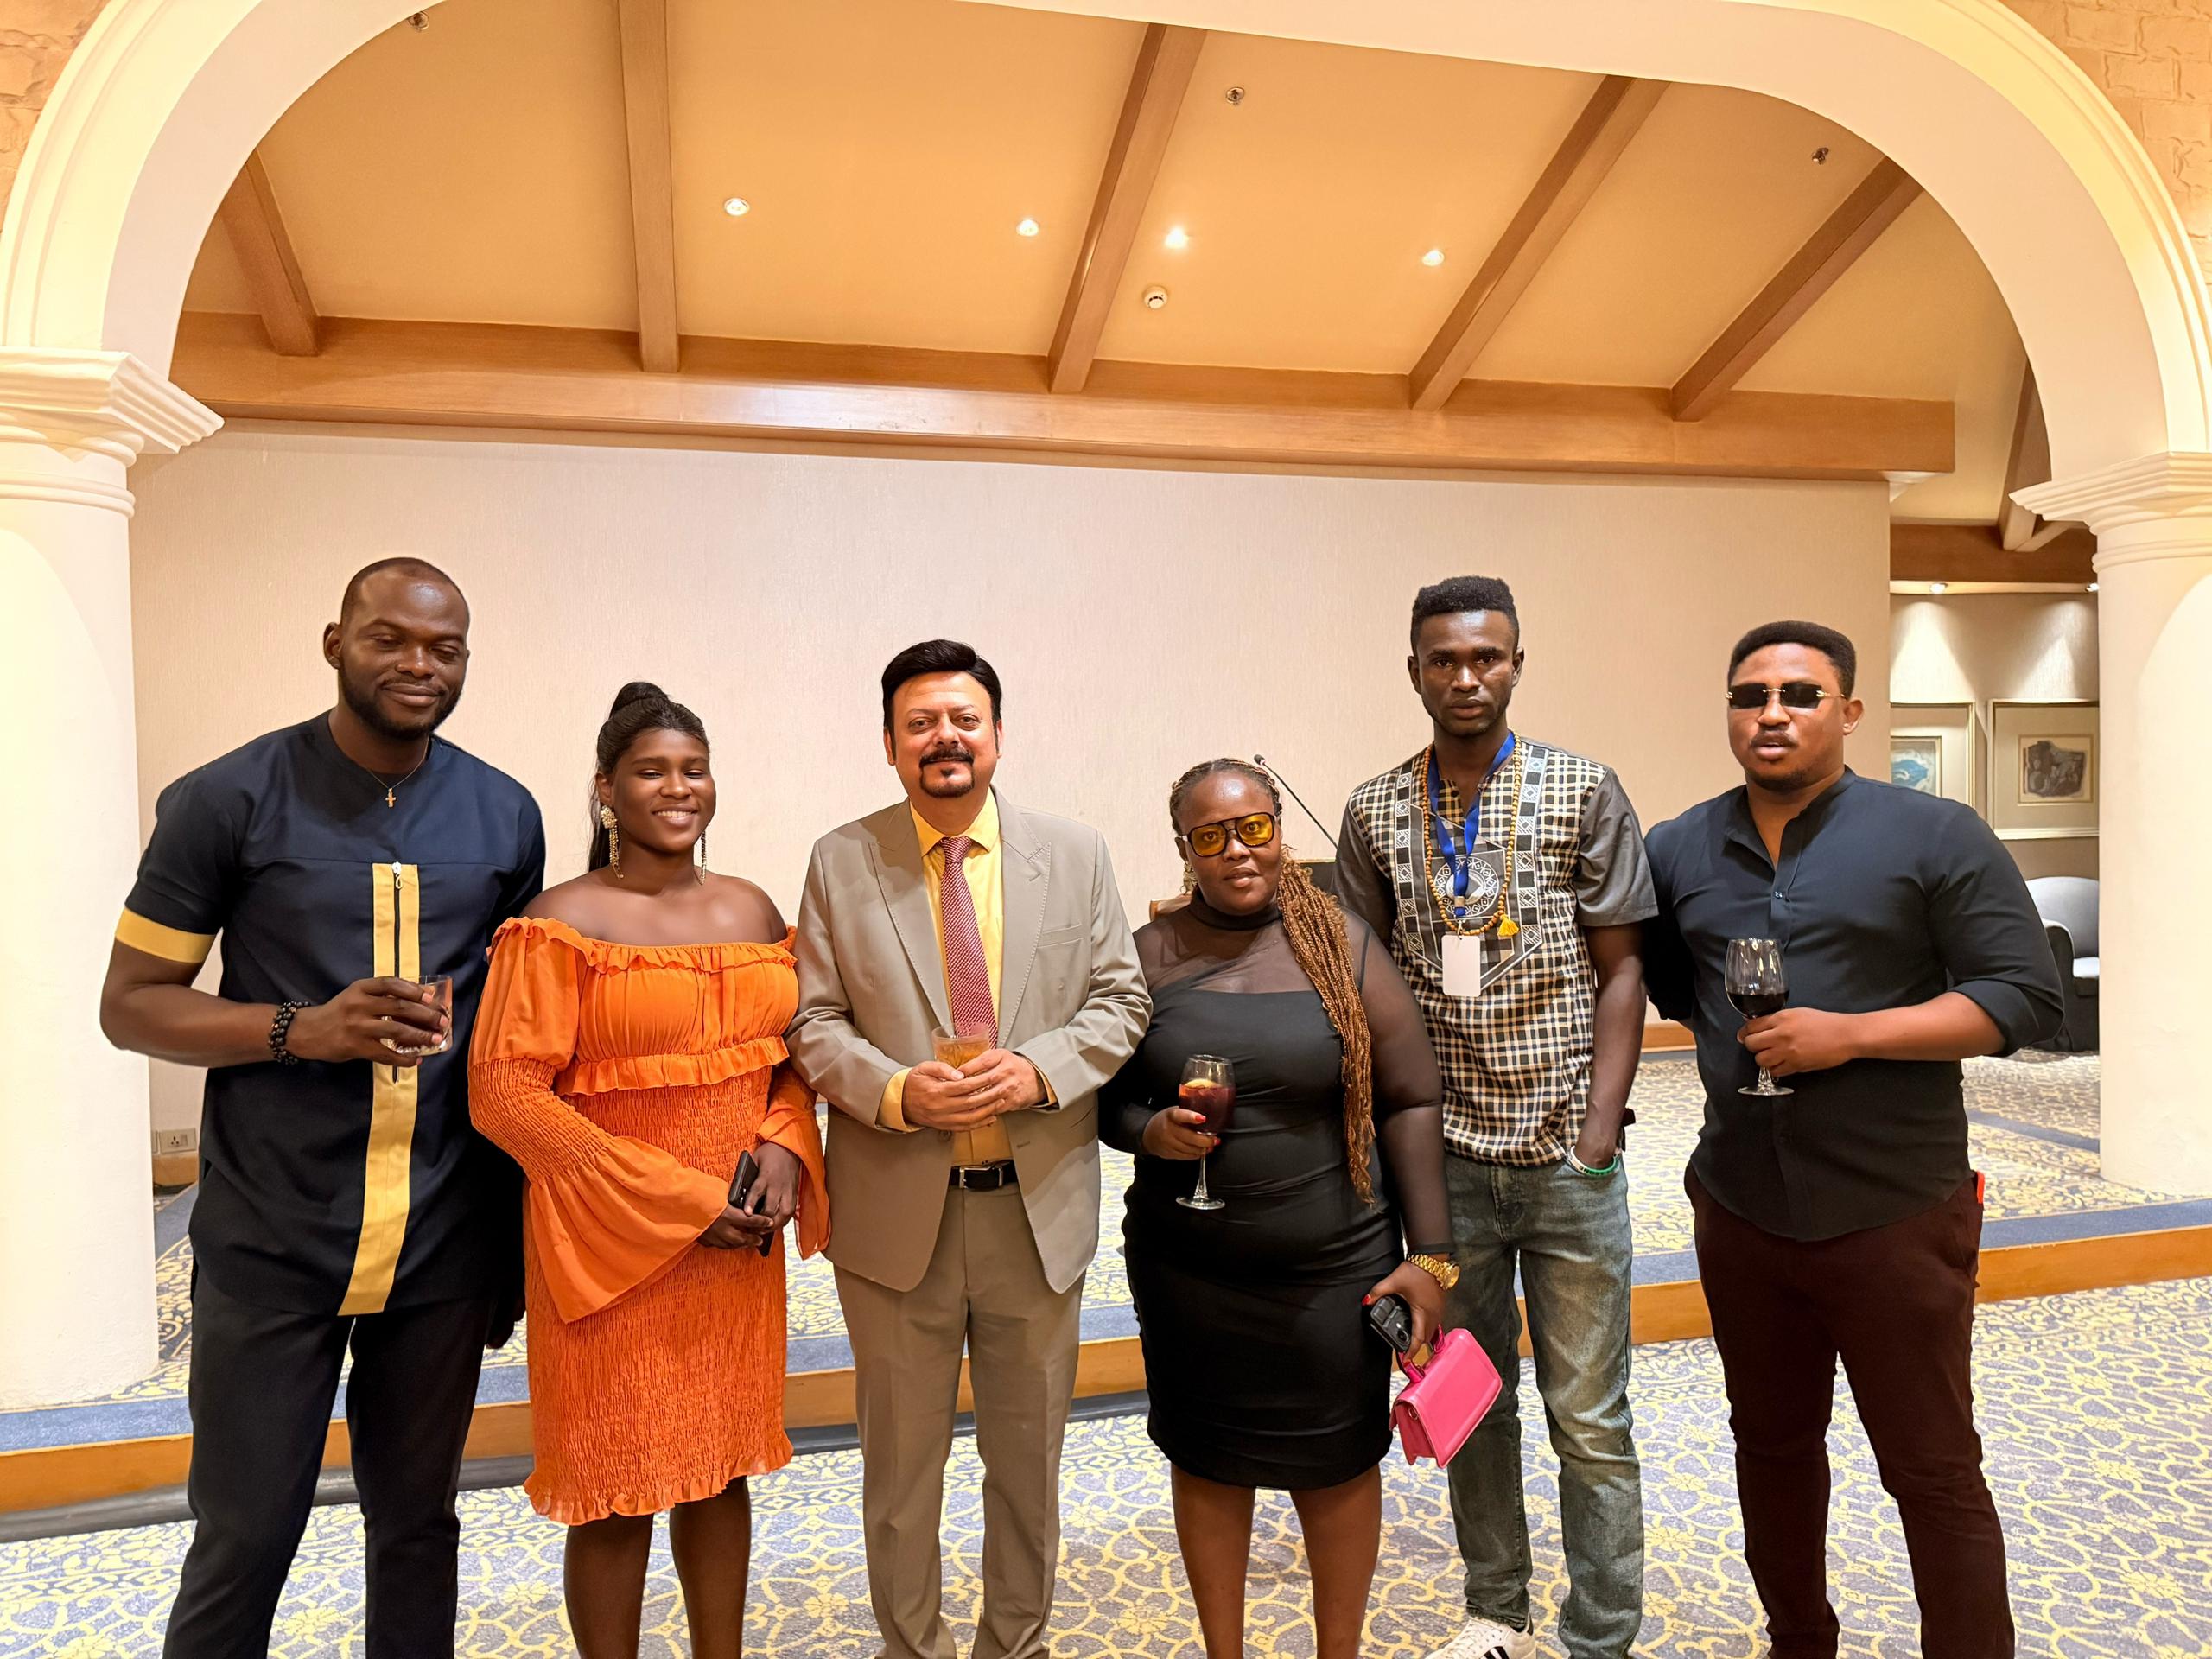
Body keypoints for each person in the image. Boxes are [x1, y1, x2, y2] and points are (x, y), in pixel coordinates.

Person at [99, 559, 544, 1659]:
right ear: (335, 642)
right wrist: (306, 1029)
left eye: (444, 648)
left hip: (440, 1238)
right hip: (273, 1235)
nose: (418, 665)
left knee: (418, 1527)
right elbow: (131, 1005)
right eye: (390, 638)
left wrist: (511, 1244)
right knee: (246, 1534)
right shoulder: (227, 799)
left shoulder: (504, 813)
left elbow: (516, 1029)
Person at [1643, 620, 2063, 1659]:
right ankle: (1799, 1641)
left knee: (1930, 1465)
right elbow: (1676, 992)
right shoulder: (1678, 847)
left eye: (1799, 694)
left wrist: (1852, 1036)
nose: (1771, 713)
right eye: (1750, 695)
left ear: (1849, 711)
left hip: (1893, 1210)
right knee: (1770, 1448)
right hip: (1742, 1206)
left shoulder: (1935, 833)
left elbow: (2023, 999)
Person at [786, 639, 1148, 1659]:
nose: (944, 738)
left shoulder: (1073, 852)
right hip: (896, 1219)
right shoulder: (841, 859)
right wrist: (895, 1091)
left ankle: (1014, 1645)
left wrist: (1039, 1069)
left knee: (1027, 1467)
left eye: (963, 720)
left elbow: (1121, 999)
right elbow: (812, 1021)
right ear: (890, 744)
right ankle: (912, 1649)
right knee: (900, 1477)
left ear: (995, 734)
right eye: (920, 724)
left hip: (1035, 1215)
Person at [468, 682, 829, 1659]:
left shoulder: (752, 906)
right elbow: (504, 1094)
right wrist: (680, 1204)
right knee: (613, 1491)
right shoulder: (558, 920)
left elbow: (791, 1053)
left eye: (694, 770)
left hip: (736, 1247)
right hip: (607, 1247)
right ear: (606, 791)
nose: (678, 788)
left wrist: (786, 1141)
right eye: (651, 771)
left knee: (721, 1472)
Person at [1335, 575, 1655, 1659]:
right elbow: (1360, 986)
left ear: (1517, 663)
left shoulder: (1582, 788)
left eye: (1486, 657)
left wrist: (1598, 1130)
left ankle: (1599, 1634)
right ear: (1414, 670)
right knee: (1470, 1398)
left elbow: (1622, 968)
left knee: (1589, 1417)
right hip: (1444, 1165)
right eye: (1444, 659)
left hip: (1565, 1152)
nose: (1465, 677)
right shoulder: (1374, 810)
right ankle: (1495, 1610)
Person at [1100, 758, 1454, 1659]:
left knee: (1336, 1465)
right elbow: (1102, 1100)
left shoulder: (1340, 941)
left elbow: (1412, 1098)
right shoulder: (1145, 955)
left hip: (1334, 1269)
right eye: (1211, 836)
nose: (1237, 851)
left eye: (1254, 828)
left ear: (1279, 831)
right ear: (1184, 848)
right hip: (1190, 1273)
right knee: (1207, 1461)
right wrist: (1150, 1133)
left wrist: (1432, 1255)